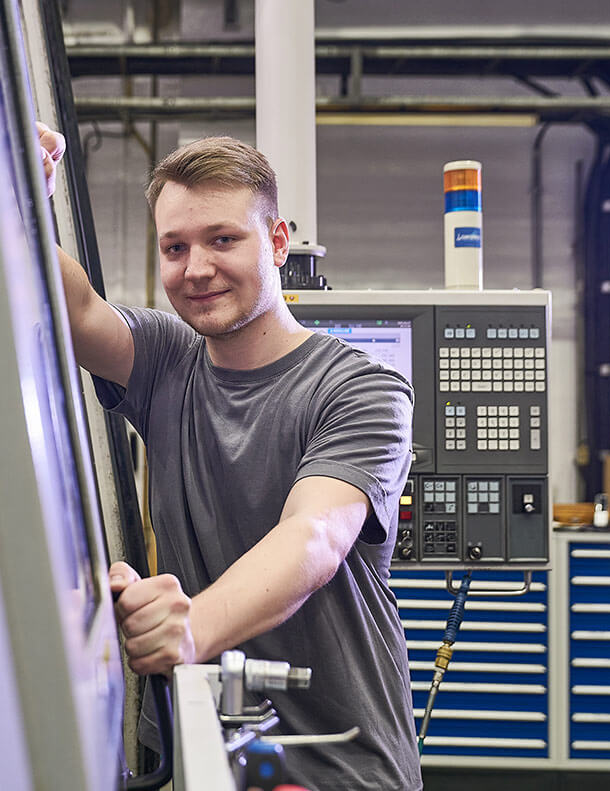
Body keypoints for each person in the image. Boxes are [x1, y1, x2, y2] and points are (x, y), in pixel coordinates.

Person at [38, 123, 421, 790]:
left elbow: (313, 537)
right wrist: (21, 191)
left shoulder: (359, 388)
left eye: (223, 239)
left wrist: (193, 628)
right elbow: (71, 308)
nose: (197, 268)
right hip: (198, 754)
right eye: (175, 247)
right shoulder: (165, 361)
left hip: (335, 763)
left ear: (276, 243)